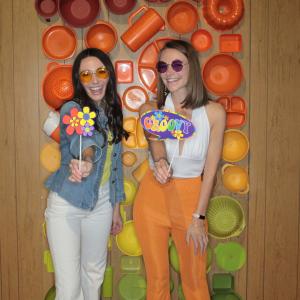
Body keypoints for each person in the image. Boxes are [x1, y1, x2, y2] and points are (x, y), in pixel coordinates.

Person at [133, 40, 226, 299]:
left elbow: (210, 170)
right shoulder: (151, 110)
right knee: (157, 281)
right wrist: (160, 162)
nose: (169, 72)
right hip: (153, 199)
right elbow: (156, 145)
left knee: (195, 280)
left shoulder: (214, 113)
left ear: (191, 68)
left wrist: (199, 217)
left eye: (176, 64)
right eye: (163, 66)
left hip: (191, 202)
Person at [44, 48, 128, 300]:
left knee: (94, 276)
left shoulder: (114, 110)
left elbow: (115, 165)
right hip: (68, 203)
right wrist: (86, 160)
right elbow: (84, 139)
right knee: (69, 288)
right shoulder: (72, 107)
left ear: (109, 75)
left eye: (100, 72)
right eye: (86, 75)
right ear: (78, 80)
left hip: (102, 203)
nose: (94, 80)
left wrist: (114, 207)